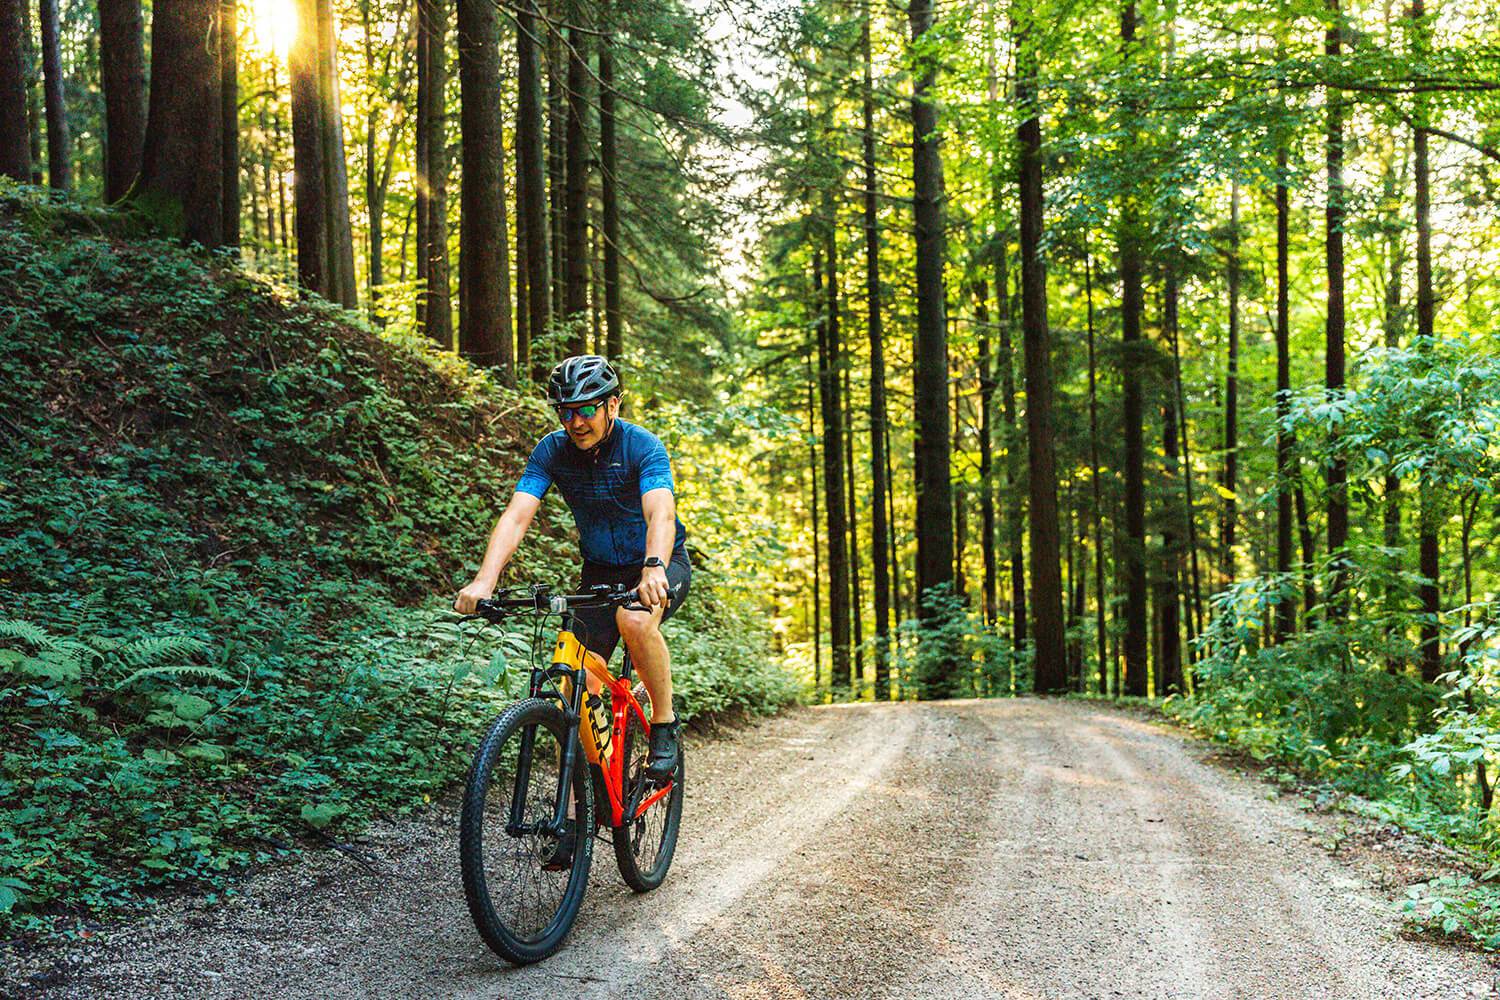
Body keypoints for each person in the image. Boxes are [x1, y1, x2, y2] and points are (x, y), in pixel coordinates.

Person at [454, 354, 691, 788]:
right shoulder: (552, 451)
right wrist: (485, 580)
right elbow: (516, 517)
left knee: (635, 619)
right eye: (567, 411)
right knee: (575, 687)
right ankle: (584, 802)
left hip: (659, 563)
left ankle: (663, 723)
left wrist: (654, 567)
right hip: (600, 571)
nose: (576, 421)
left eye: (586, 409)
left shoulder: (643, 447)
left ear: (613, 406)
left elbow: (661, 513)